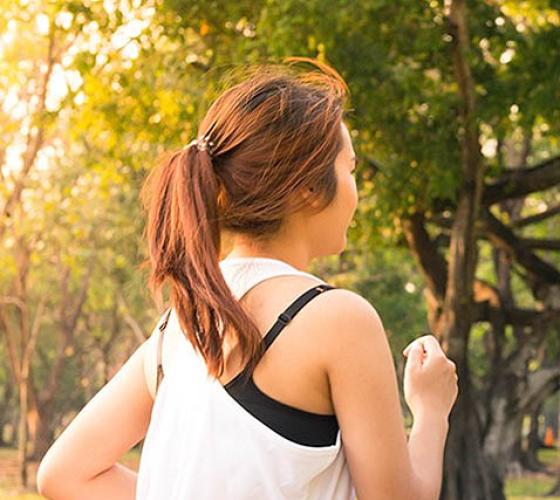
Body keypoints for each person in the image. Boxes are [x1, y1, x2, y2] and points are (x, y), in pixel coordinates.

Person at [36, 56, 458, 500]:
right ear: (309, 189)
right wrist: (431, 410)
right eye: (349, 169)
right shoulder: (338, 319)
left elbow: (65, 474)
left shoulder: (178, 327)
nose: (356, 188)